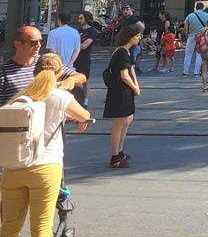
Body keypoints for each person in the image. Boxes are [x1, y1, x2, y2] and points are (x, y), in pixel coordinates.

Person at [0, 59, 91, 237]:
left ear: (35, 73)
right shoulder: (60, 96)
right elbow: (84, 115)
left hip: (12, 167)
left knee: (10, 226)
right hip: (46, 166)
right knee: (41, 226)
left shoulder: (21, 96)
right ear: (58, 74)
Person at [104, 25, 141, 168]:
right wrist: (134, 86)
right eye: (137, 36)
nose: (139, 38)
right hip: (119, 90)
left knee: (128, 119)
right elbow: (124, 75)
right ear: (129, 37)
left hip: (125, 90)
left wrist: (136, 85)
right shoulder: (121, 52)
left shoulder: (127, 51)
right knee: (120, 122)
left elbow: (131, 70)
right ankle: (115, 157)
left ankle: (120, 152)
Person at [0, 26, 43, 106]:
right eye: (33, 42)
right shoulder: (3, 72)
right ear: (18, 44)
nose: (38, 45)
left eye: (40, 41)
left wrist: (61, 84)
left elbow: (73, 76)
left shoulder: (45, 62)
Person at [74, 12, 100, 106]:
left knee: (85, 80)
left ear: (86, 19)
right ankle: (76, 99)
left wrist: (75, 46)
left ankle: (85, 100)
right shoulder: (78, 30)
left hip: (84, 58)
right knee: (74, 80)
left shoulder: (92, 31)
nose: (79, 20)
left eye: (81, 18)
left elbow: (85, 46)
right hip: (75, 57)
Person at [181, 3, 208, 77]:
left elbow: (185, 28)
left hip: (192, 36)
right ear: (203, 8)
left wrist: (187, 35)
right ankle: (196, 72)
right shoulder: (207, 16)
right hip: (201, 37)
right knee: (199, 55)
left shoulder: (190, 16)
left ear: (195, 8)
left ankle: (185, 71)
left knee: (188, 54)